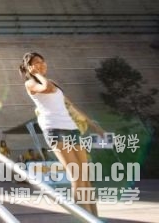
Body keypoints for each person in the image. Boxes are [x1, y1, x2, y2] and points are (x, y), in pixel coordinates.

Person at [19, 51, 102, 216]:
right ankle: (84, 219)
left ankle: (95, 218)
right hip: (55, 130)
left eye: (43, 61)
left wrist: (95, 127)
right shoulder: (30, 83)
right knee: (76, 176)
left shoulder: (53, 83)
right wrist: (36, 74)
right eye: (37, 62)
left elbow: (72, 107)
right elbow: (47, 88)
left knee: (85, 178)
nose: (42, 64)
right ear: (29, 67)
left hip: (71, 129)